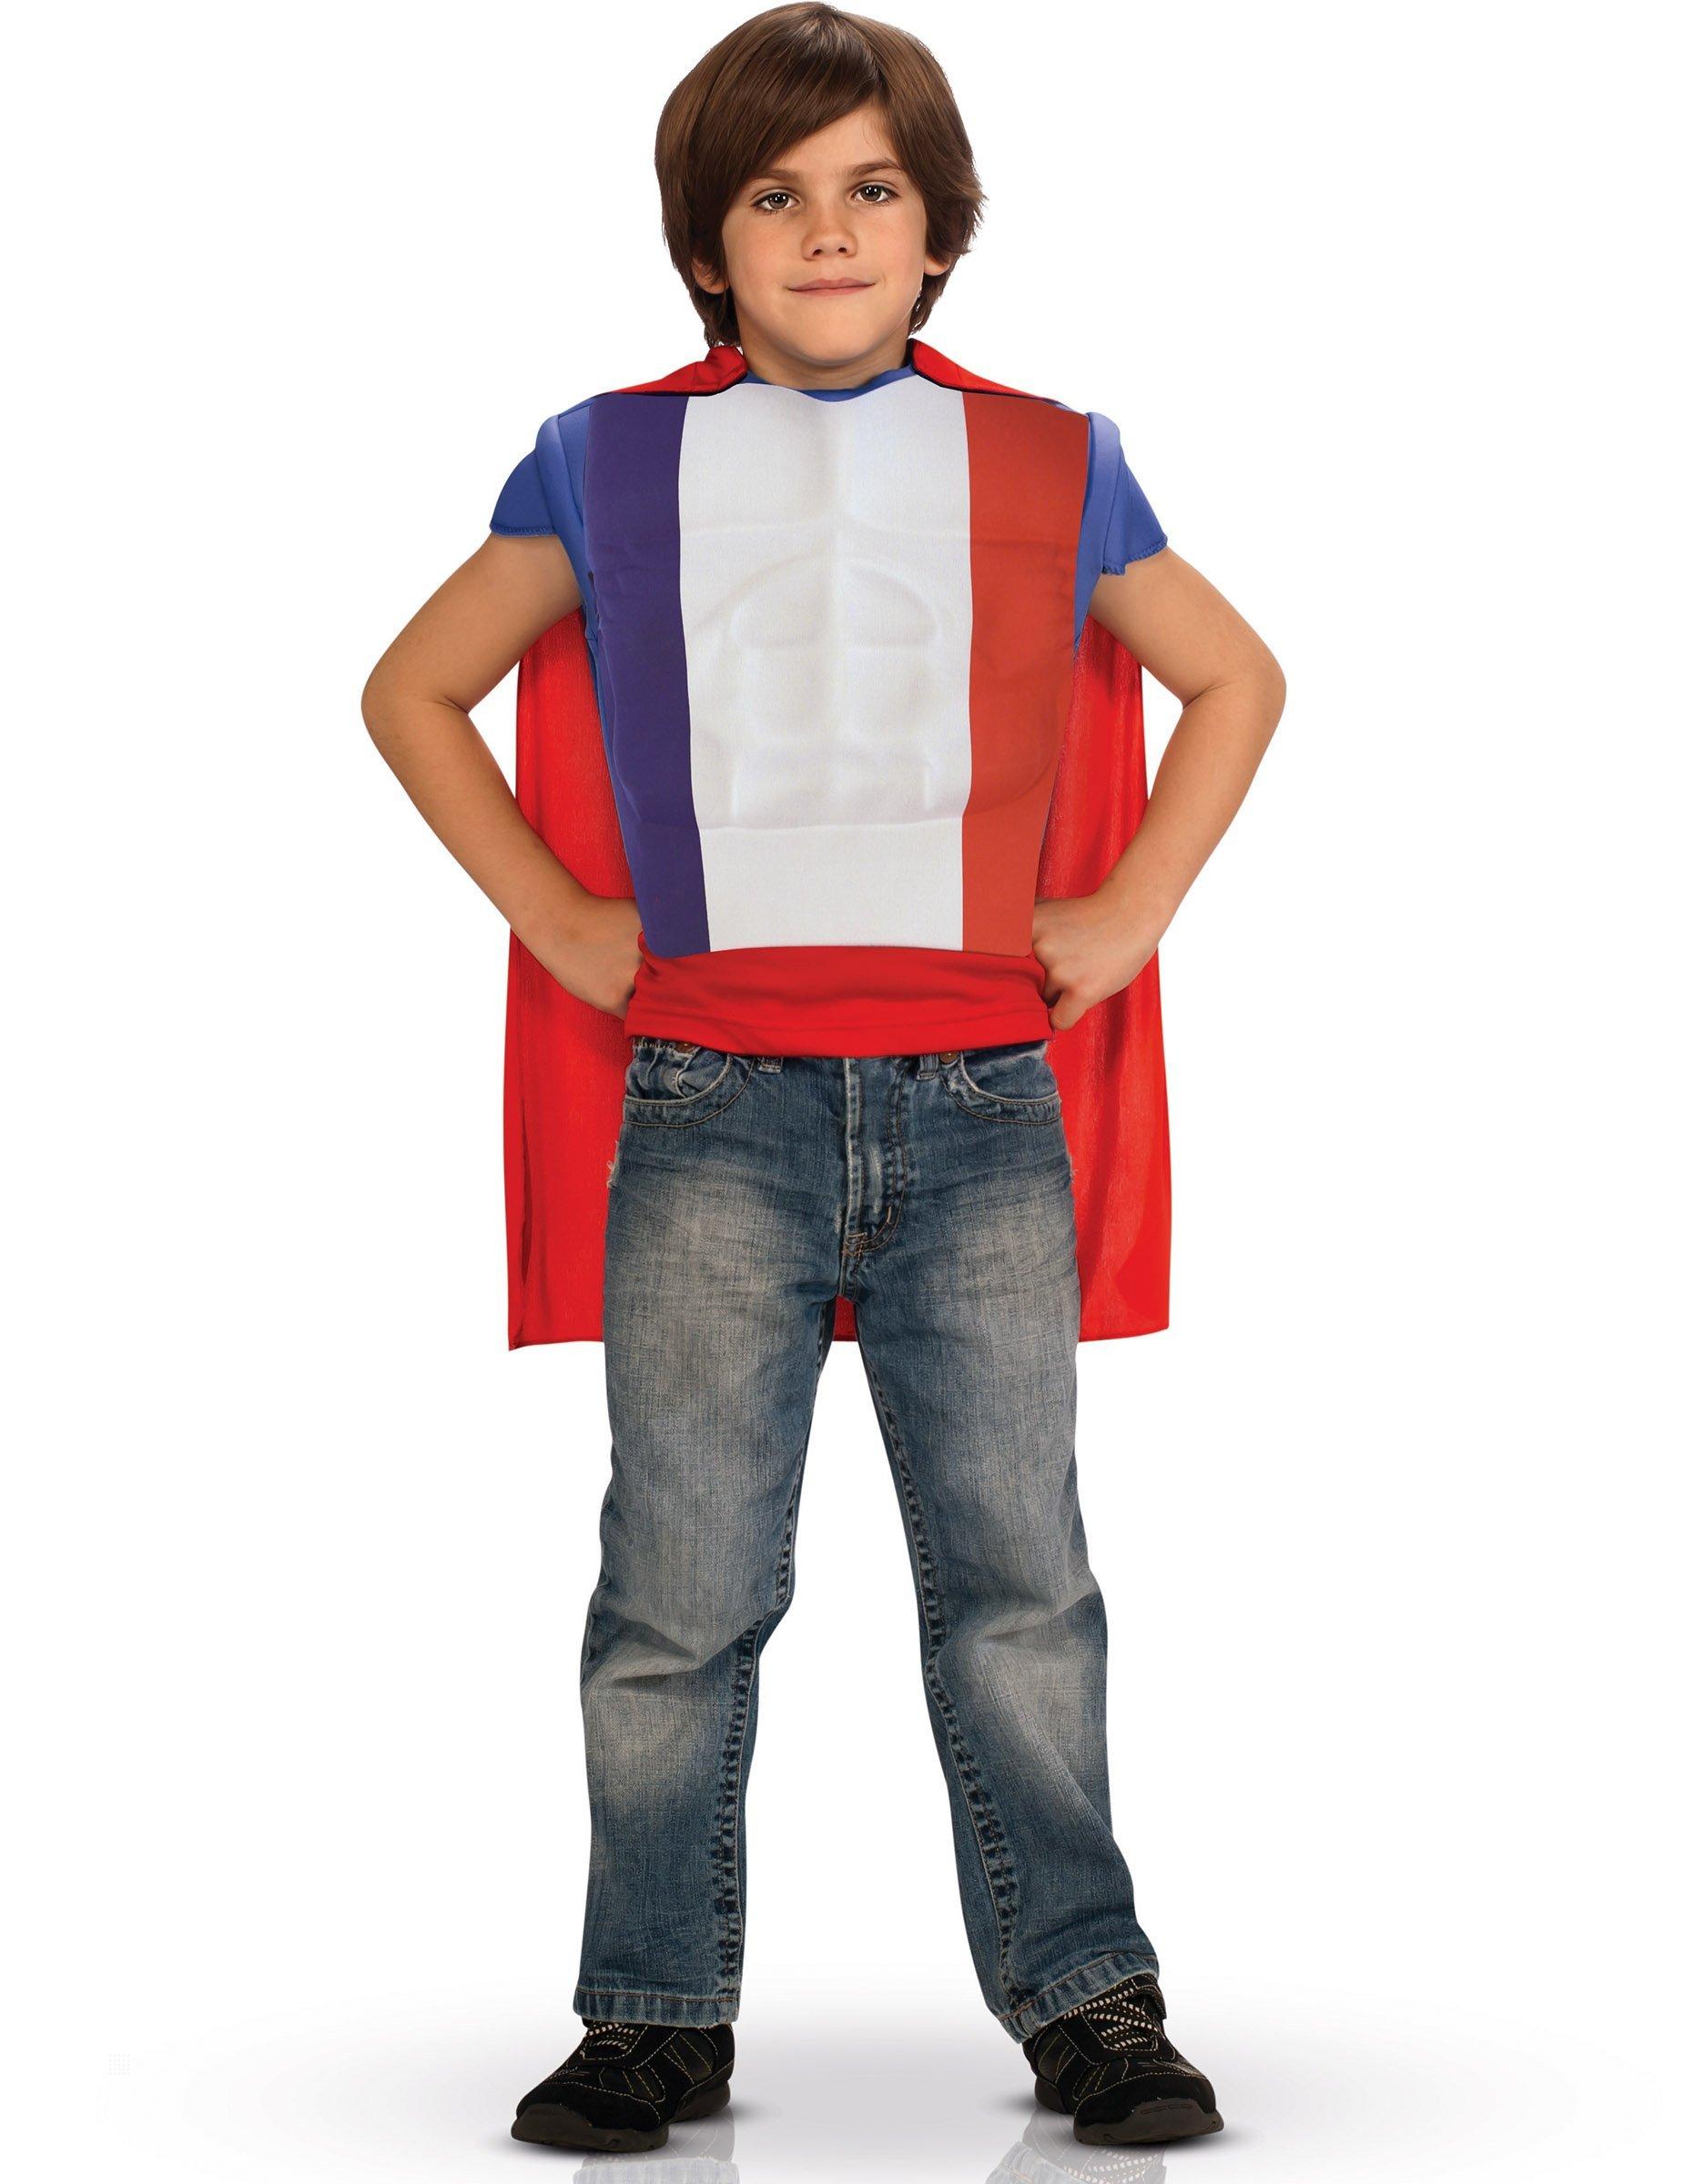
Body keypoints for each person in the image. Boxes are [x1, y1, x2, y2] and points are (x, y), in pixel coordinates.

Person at [361, 3, 1284, 2155]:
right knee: (676, 1595)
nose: (828, 230)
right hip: (711, 1100)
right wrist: (562, 921)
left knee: (1021, 1586)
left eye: (872, 187)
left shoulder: (1052, 458)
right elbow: (413, 688)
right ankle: (650, 2013)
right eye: (772, 196)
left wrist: (1135, 904)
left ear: (940, 226)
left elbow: (1234, 673)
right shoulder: (601, 458)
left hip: (979, 1100)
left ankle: (1090, 1999)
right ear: (708, 246)